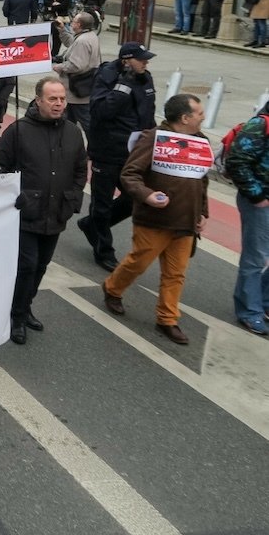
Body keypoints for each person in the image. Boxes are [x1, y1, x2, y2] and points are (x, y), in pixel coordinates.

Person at [101, 94, 209, 346]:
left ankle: (167, 319)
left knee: (176, 273)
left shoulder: (200, 141)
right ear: (185, 118)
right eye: (199, 113)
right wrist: (147, 196)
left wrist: (203, 212)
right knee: (137, 263)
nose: (203, 117)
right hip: (154, 220)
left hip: (185, 223)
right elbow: (130, 175)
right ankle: (113, 288)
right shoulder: (153, 139)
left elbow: (201, 180)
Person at [0, 78, 87, 344]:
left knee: (42, 266)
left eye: (62, 99)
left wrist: (73, 198)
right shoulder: (19, 131)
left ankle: (26, 305)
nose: (58, 104)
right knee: (27, 265)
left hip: (57, 212)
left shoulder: (72, 132)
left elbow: (80, 169)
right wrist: (16, 195)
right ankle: (17, 316)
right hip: (26, 213)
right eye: (52, 99)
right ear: (38, 100)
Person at [80, 42, 157, 271]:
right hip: (107, 151)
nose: (146, 62)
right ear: (126, 60)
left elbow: (148, 112)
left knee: (135, 198)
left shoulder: (146, 77)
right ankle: (104, 251)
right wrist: (124, 85)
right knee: (101, 205)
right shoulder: (107, 76)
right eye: (141, 58)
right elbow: (101, 111)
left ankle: (91, 225)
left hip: (135, 153)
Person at [226, 102, 269, 334]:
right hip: (260, 202)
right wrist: (257, 196)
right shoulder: (260, 125)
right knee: (256, 258)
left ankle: (264, 302)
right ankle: (249, 312)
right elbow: (237, 161)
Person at [51, 12, 101, 130]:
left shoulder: (82, 41)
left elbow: (76, 65)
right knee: (68, 122)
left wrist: (60, 67)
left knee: (85, 124)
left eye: (73, 21)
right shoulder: (89, 36)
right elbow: (71, 43)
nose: (71, 22)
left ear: (78, 24)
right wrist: (62, 30)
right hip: (80, 89)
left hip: (77, 90)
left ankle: (93, 146)